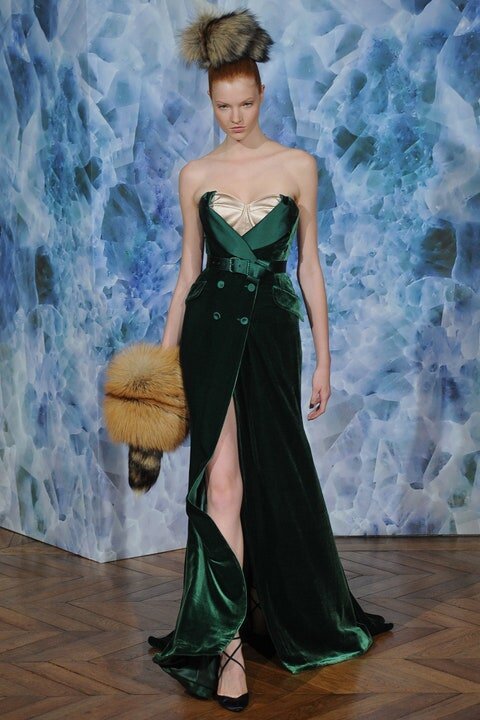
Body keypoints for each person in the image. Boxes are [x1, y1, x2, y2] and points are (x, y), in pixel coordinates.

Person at [148, 8, 393, 712]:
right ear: (210, 102)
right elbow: (188, 273)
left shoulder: (298, 166)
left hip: (274, 332)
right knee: (222, 485)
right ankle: (227, 649)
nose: (235, 117)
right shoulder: (195, 174)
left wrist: (324, 358)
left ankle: (291, 608)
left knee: (275, 475)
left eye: (246, 104)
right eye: (223, 106)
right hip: (210, 332)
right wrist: (161, 365)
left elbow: (310, 265)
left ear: (262, 95)